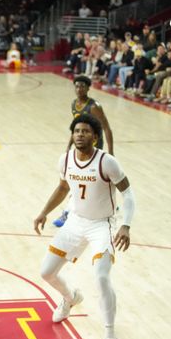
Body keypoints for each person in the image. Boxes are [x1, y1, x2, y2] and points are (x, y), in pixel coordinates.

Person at [33, 114, 136, 339]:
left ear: (95, 136)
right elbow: (62, 188)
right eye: (76, 131)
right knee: (46, 272)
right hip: (75, 222)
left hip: (103, 225)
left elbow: (129, 194)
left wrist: (126, 225)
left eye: (85, 131)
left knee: (101, 276)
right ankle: (71, 298)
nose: (80, 134)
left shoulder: (107, 162)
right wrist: (44, 212)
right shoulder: (66, 160)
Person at [53, 74, 115, 227]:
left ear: (88, 88)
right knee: (77, 179)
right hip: (80, 144)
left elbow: (106, 128)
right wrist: (69, 145)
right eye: (77, 86)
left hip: (94, 145)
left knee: (82, 179)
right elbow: (76, 127)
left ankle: (68, 212)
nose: (79, 89)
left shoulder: (94, 106)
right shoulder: (74, 104)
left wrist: (111, 152)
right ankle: (105, 202)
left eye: (82, 86)